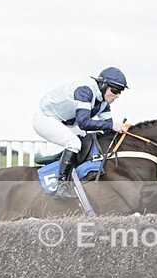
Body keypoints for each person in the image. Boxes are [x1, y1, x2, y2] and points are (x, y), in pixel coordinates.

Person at [32, 67, 130, 199]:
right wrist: (113, 126)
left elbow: (108, 129)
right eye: (115, 90)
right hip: (45, 119)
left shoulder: (103, 102)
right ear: (103, 85)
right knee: (73, 142)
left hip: (66, 122)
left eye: (120, 92)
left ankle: (71, 173)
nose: (117, 95)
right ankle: (61, 186)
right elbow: (84, 122)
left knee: (86, 141)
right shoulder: (85, 91)